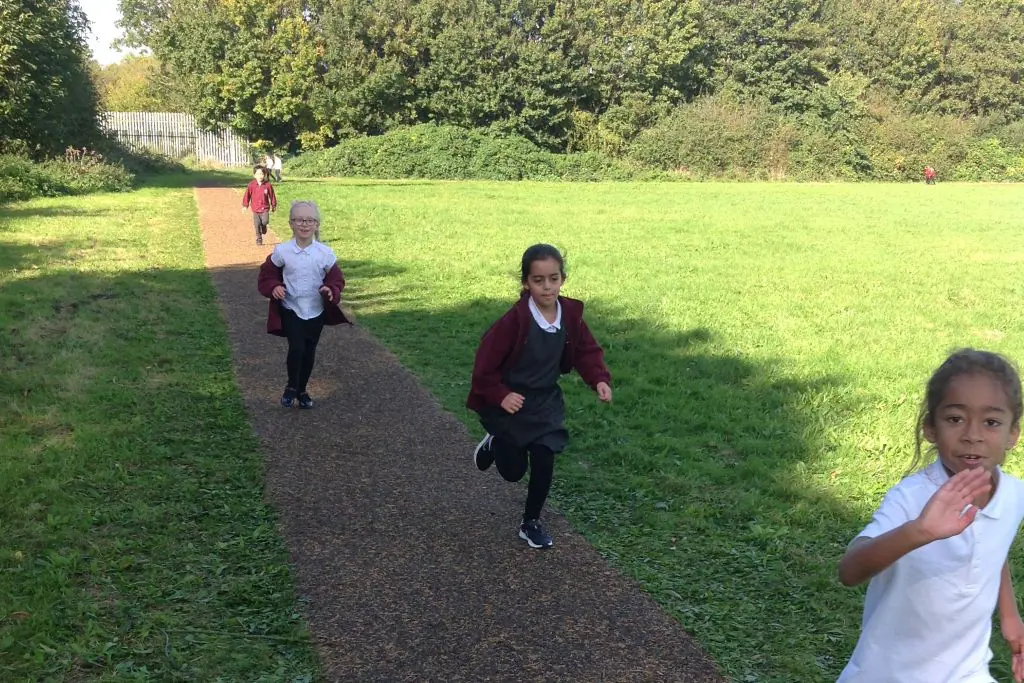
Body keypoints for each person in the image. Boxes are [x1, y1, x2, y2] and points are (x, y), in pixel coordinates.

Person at [837, 348, 1024, 683]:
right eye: (955, 418)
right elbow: (850, 570)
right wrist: (919, 531)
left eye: (992, 422)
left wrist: (1011, 619)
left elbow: (993, 549)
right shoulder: (912, 497)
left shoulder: (1014, 495)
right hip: (887, 674)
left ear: (1013, 434)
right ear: (931, 429)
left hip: (967, 673)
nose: (972, 434)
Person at [467, 244, 612, 549]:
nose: (547, 287)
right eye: (538, 280)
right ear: (526, 283)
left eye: (553, 279)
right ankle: (495, 441)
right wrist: (500, 394)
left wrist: (598, 378)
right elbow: (484, 367)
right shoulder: (514, 322)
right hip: (511, 404)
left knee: (545, 456)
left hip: (545, 402)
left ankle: (531, 522)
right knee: (512, 471)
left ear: (562, 279)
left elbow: (586, 350)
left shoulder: (570, 315)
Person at [257, 200, 350, 409]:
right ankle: (291, 387)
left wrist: (330, 290)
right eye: (299, 220)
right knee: (296, 348)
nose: (304, 224)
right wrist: (274, 286)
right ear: (291, 223)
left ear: (316, 224)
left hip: (315, 311)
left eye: (309, 220)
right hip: (292, 309)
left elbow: (337, 279)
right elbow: (267, 274)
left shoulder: (324, 253)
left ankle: (302, 390)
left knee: (309, 351)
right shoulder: (283, 252)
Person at [241, 166, 277, 246]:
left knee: (265, 221)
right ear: (254, 175)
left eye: (261, 174)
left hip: (265, 208)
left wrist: (273, 205)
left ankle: (264, 227)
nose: (260, 176)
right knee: (257, 225)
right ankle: (259, 239)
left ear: (264, 175)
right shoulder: (251, 185)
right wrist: (245, 205)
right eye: (257, 174)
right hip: (255, 209)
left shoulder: (267, 185)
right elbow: (247, 196)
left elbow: (272, 196)